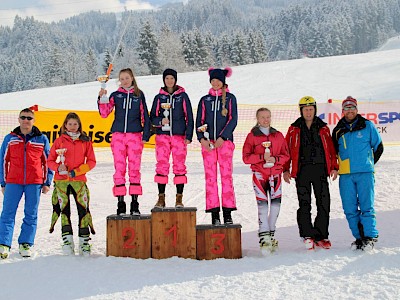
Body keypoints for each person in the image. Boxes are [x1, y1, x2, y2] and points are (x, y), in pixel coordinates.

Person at [283, 96, 338, 250]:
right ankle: (307, 234)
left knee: (323, 202)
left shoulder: (324, 128)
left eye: (311, 109)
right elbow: (286, 150)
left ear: (315, 110)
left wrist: (334, 166)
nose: (308, 112)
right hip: (302, 170)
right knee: (304, 203)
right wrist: (286, 169)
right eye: (305, 109)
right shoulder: (294, 129)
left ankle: (321, 235)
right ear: (301, 111)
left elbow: (331, 150)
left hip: (320, 170)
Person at [0, 108, 53, 259]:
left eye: (29, 118)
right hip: (13, 182)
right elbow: (3, 160)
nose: (26, 120)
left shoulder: (41, 139)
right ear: (18, 119)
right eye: (23, 117)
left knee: (31, 214)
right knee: (7, 213)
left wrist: (47, 181)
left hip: (34, 182)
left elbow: (48, 162)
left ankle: (26, 243)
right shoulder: (10, 138)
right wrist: (3, 182)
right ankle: (4, 244)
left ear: (33, 121)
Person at [332, 96, 383, 251]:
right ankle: (359, 238)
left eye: (352, 107)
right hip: (346, 175)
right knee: (349, 208)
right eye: (346, 108)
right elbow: (333, 152)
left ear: (357, 109)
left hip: (365, 173)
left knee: (367, 206)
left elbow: (378, 147)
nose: (350, 111)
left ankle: (370, 237)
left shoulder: (368, 126)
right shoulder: (338, 130)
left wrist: (368, 163)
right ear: (342, 111)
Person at [98, 68, 151, 215]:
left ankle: (135, 203)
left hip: (134, 136)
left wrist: (146, 134)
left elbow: (144, 115)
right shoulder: (116, 95)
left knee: (134, 169)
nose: (125, 81)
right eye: (122, 78)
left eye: (127, 78)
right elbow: (104, 113)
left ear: (132, 78)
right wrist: (101, 99)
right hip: (118, 136)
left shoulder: (138, 95)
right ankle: (120, 203)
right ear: (119, 81)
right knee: (119, 168)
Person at [47, 112, 96, 256]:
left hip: (78, 181)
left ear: (79, 125)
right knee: (64, 211)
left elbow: (92, 162)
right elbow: (50, 161)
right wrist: (58, 167)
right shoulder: (59, 141)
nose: (73, 127)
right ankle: (67, 240)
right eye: (70, 124)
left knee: (83, 210)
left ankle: (84, 241)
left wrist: (78, 171)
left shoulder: (85, 141)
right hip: (61, 181)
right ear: (65, 125)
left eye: (75, 124)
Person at [242, 108, 290, 252]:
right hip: (260, 175)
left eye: (268, 117)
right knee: (262, 206)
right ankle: (264, 238)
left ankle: (271, 234)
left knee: (276, 206)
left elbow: (286, 155)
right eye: (262, 117)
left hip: (275, 175)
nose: (266, 120)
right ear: (257, 118)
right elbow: (246, 157)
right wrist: (262, 158)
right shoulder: (252, 136)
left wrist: (275, 159)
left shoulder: (278, 135)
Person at [196, 67, 238, 225]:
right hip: (208, 145)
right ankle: (214, 212)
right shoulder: (204, 100)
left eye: (218, 80)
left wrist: (223, 137)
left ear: (223, 81)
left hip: (224, 144)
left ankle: (227, 212)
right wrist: (202, 139)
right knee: (210, 178)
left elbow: (233, 120)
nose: (215, 83)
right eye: (212, 80)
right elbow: (199, 121)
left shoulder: (230, 99)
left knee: (226, 177)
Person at [150, 68, 194, 208]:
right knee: (162, 166)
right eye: (167, 78)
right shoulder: (159, 98)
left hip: (179, 136)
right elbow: (152, 118)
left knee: (179, 166)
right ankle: (161, 198)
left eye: (172, 78)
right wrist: (160, 122)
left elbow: (190, 117)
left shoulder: (183, 96)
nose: (169, 81)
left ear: (175, 80)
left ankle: (179, 198)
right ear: (163, 80)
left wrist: (188, 135)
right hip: (162, 137)